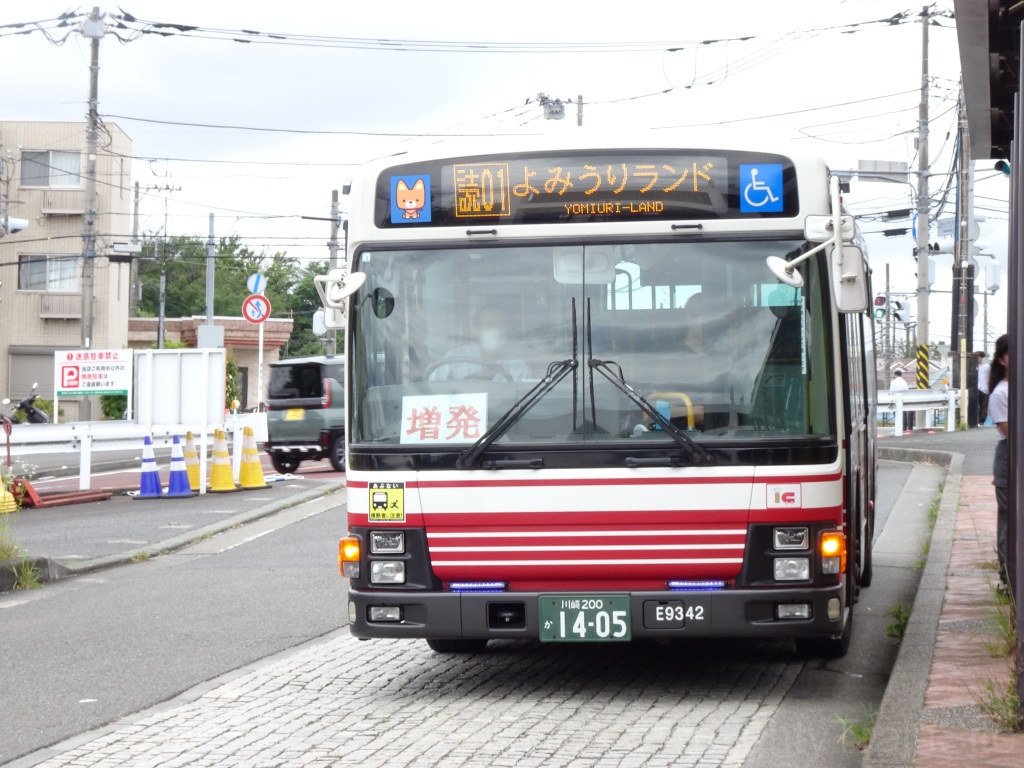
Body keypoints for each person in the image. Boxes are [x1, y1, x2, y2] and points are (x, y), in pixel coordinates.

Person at [428, 306, 530, 382]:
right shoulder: (453, 359)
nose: (496, 331)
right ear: (475, 331)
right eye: (489, 326)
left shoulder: (519, 366)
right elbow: (435, 393)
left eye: (500, 326)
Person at [987, 334, 1009, 588]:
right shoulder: (1000, 393)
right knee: (1010, 517)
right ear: (1002, 360)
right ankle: (1007, 575)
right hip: (1008, 459)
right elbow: (1009, 431)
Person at [889, 369, 913, 433]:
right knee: (903, 413)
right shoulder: (904, 382)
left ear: (895, 375)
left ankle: (899, 427)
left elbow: (891, 391)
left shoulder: (893, 382)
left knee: (896, 413)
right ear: (901, 375)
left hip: (895, 400)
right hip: (903, 399)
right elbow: (906, 390)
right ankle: (904, 427)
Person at [976, 351, 991, 425]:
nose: (978, 359)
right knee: (976, 405)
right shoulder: (974, 367)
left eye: (979, 357)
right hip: (976, 388)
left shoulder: (987, 367)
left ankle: (982, 420)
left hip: (985, 389)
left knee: (984, 405)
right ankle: (976, 419)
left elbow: (990, 376)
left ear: (982, 358)